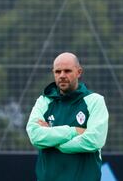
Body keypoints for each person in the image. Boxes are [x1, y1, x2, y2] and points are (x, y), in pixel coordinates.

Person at [26, 52, 109, 181]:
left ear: (79, 72)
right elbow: (35, 136)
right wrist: (74, 131)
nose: (62, 75)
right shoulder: (44, 101)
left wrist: (53, 140)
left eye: (67, 71)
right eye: (58, 72)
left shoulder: (95, 101)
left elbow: (94, 140)